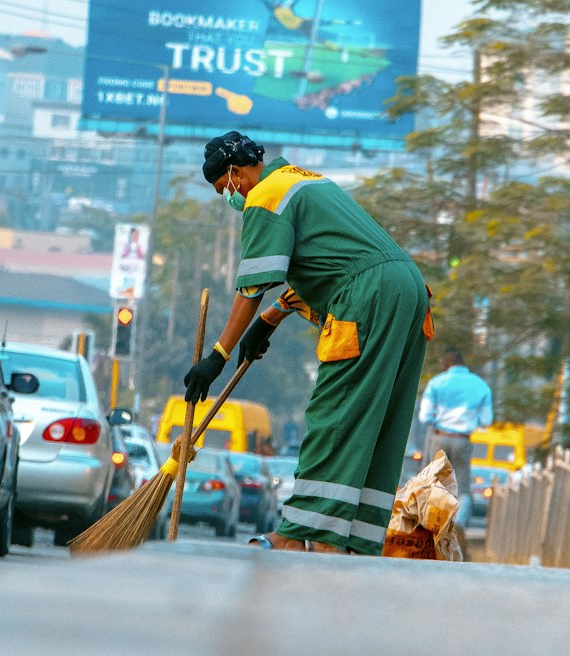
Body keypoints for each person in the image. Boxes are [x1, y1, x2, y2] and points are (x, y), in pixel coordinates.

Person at [183, 130, 433, 556]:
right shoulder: (306, 180)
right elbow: (330, 262)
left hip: (368, 297)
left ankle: (301, 533)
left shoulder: (265, 195)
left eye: (225, 189)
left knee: (335, 411)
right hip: (408, 290)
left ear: (235, 173)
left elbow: (251, 287)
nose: (230, 197)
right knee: (378, 420)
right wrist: (270, 321)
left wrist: (218, 356)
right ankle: (355, 539)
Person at [418, 348, 493, 525]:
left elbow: (424, 417)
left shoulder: (437, 382)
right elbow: (486, 420)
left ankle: (433, 521)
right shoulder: (480, 385)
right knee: (462, 485)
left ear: (446, 363)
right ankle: (458, 525)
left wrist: (439, 418)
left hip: (439, 437)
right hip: (463, 439)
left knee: (436, 480)